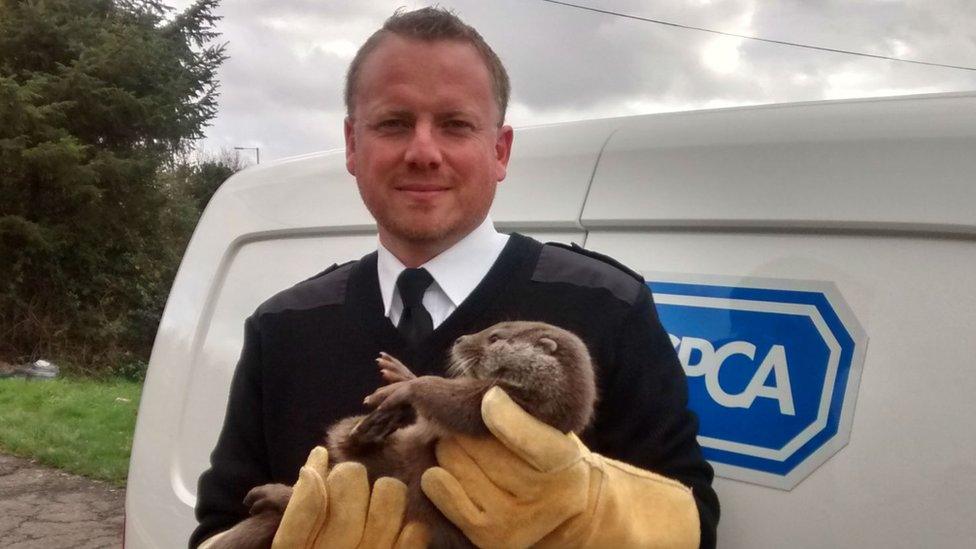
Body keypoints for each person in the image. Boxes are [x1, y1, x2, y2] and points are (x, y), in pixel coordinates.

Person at [193, 7, 719, 548]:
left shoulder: (608, 306)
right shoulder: (283, 328)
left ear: (500, 150)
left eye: (455, 124)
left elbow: (696, 527)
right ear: (353, 144)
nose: (423, 151)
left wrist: (597, 516)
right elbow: (216, 526)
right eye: (394, 123)